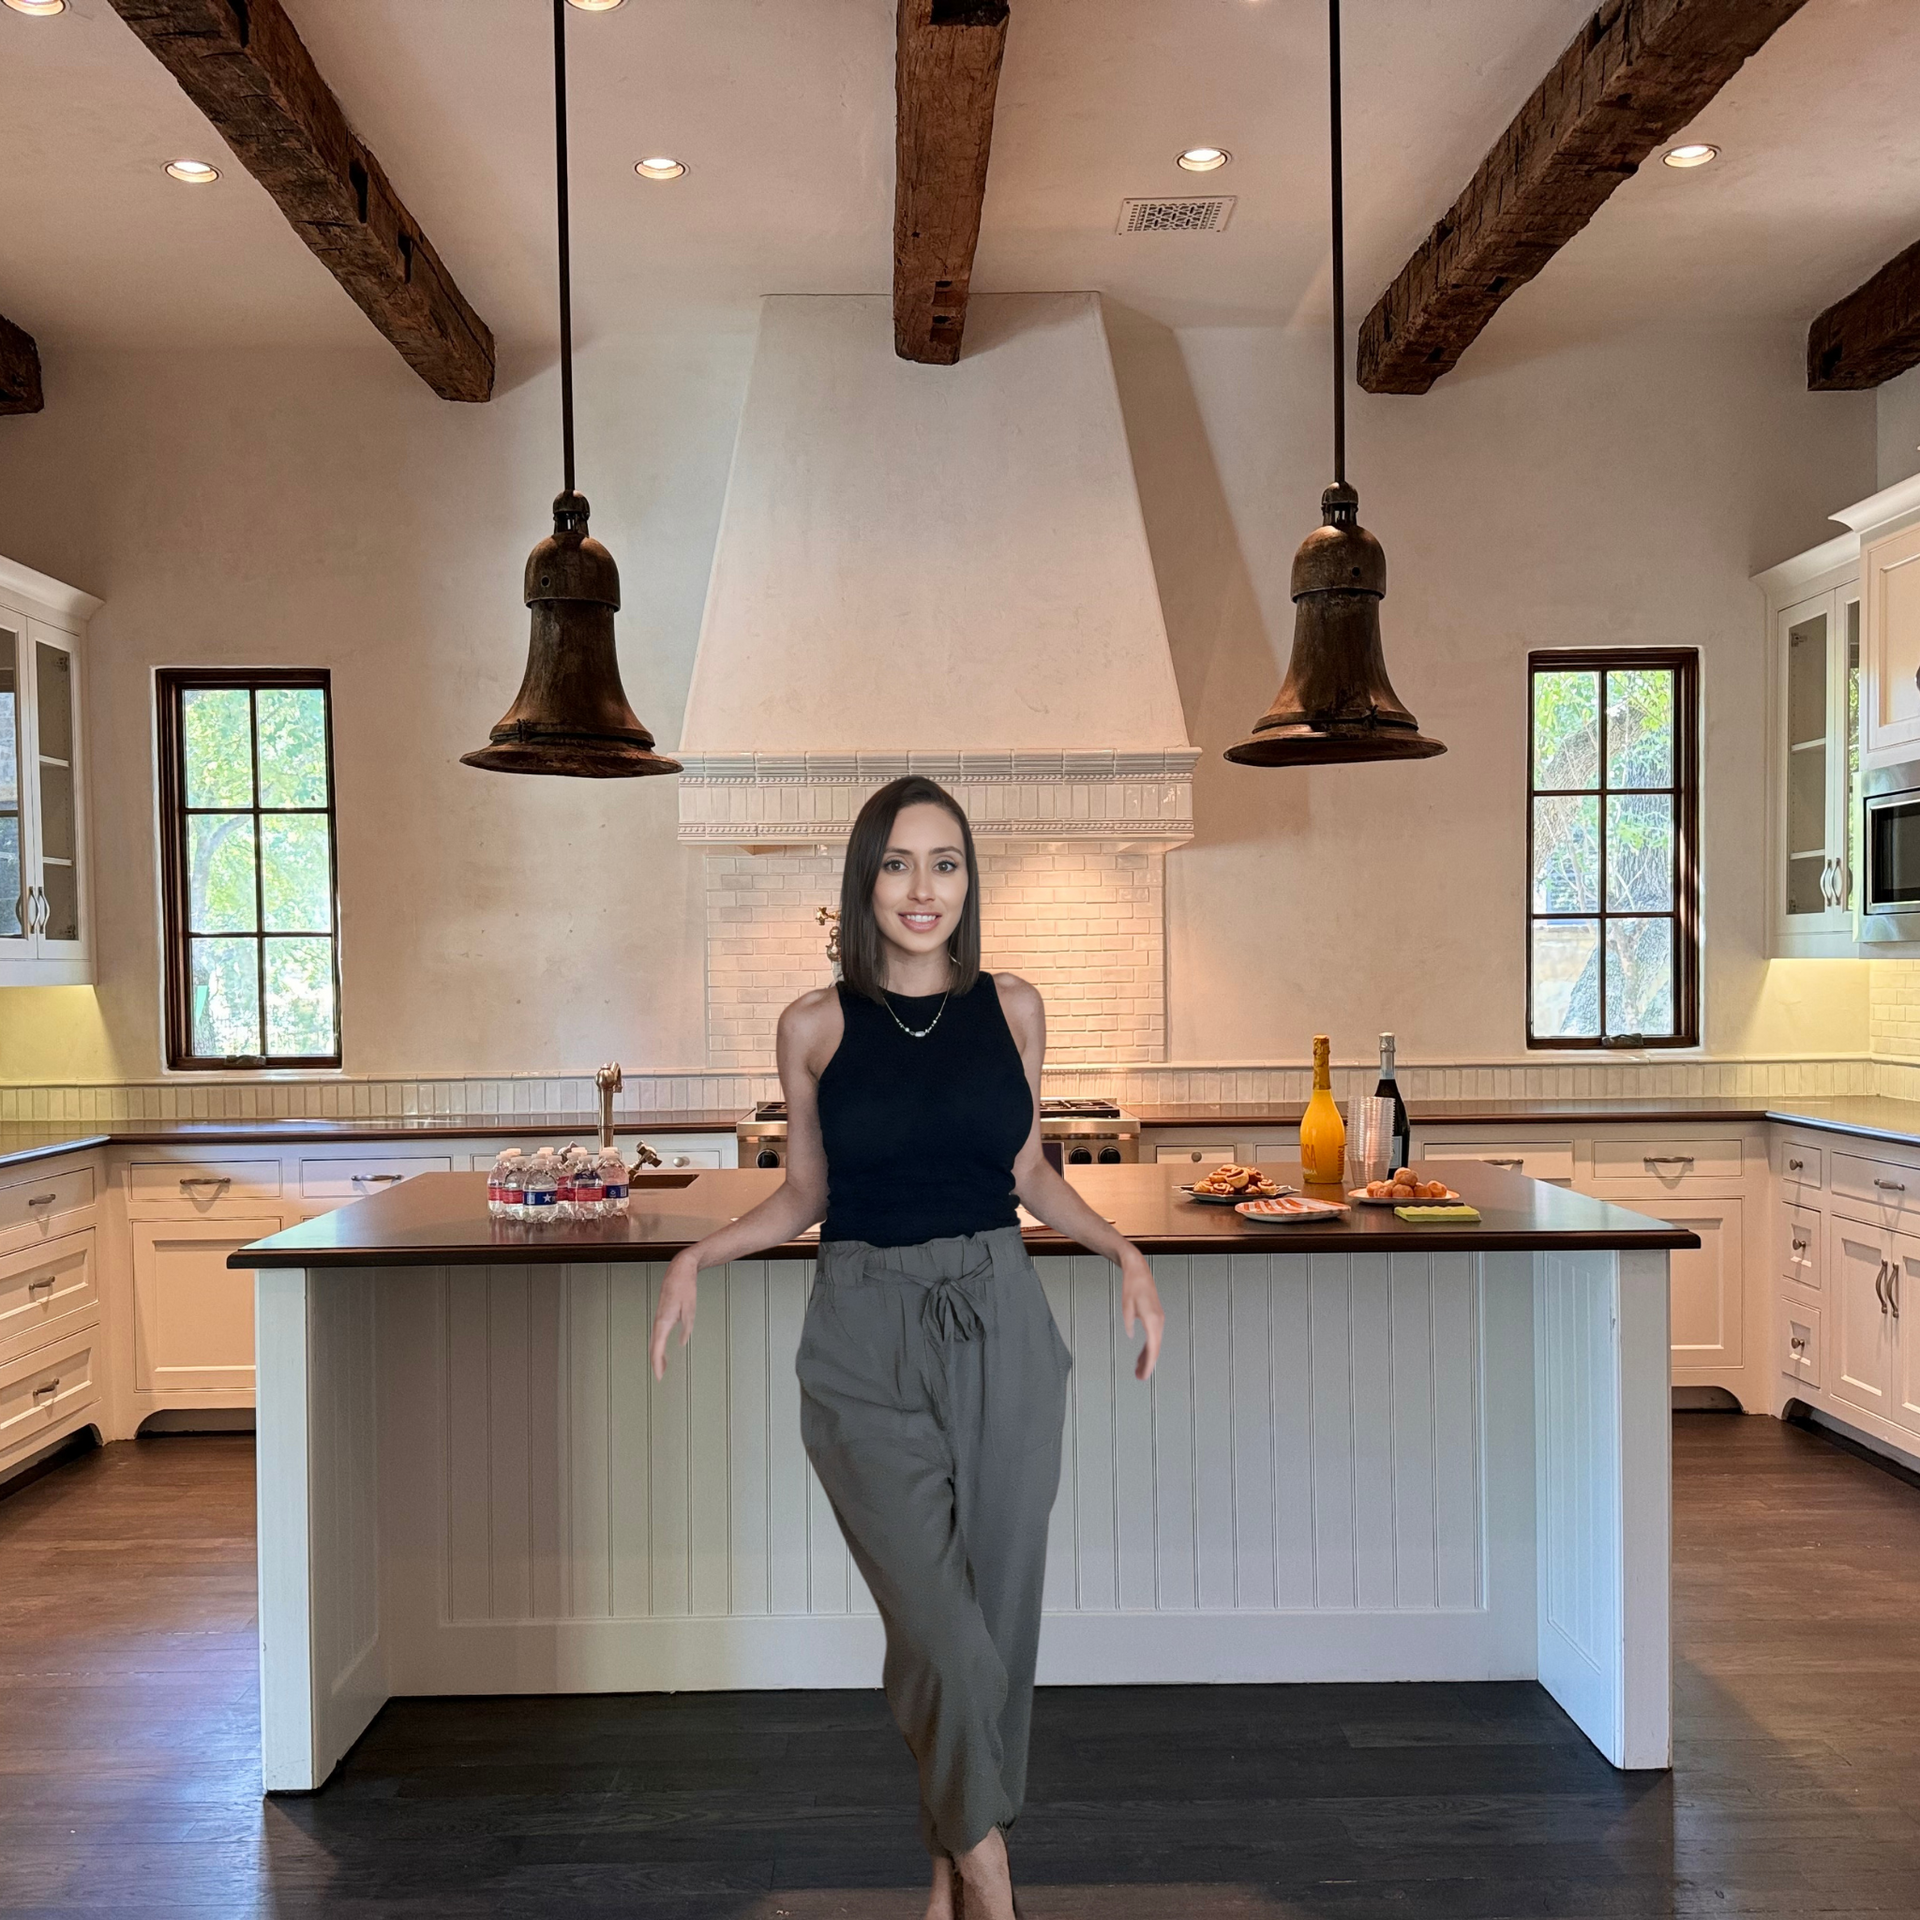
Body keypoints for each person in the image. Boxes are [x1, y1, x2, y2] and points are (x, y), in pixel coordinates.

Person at [650, 774, 1165, 1920]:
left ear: (968, 882)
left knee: (996, 1622)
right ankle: (997, 1884)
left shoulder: (1016, 1008)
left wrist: (1124, 1253)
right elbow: (804, 1199)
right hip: (862, 1336)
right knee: (940, 1633)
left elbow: (1031, 1175)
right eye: (897, 863)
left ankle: (943, 1881)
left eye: (945, 863)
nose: (922, 888)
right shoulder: (813, 1027)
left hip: (1002, 1318)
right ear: (864, 880)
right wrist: (696, 1256)